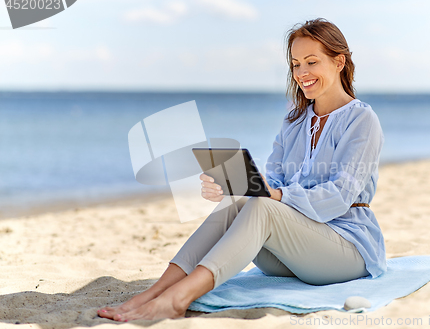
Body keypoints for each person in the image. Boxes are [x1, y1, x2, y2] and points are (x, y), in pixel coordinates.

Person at [97, 17, 386, 322]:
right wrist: (238, 187)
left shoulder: (362, 121)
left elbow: (339, 196)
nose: (302, 73)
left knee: (262, 206)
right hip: (294, 253)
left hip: (347, 248)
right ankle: (153, 293)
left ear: (339, 62)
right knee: (237, 201)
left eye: (311, 62)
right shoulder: (295, 121)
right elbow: (274, 180)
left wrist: (273, 195)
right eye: (296, 64)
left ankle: (177, 298)